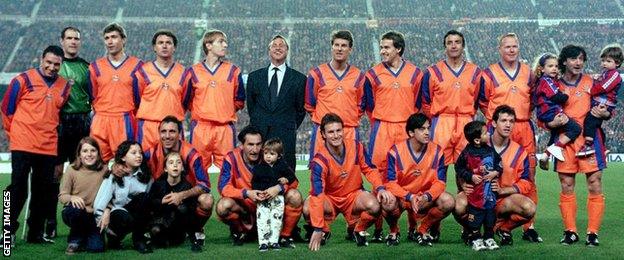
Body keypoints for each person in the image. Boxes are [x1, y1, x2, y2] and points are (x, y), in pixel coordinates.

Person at [1, 45, 70, 245]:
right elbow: (6, 109)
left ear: (61, 65)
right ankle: (7, 232)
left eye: (56, 64)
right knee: (17, 189)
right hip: (23, 144)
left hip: (48, 147)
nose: (52, 67)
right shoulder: (22, 80)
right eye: (48, 62)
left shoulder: (65, 86)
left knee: (42, 192)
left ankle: (36, 233)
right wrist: (14, 133)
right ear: (41, 60)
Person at [478, 33, 541, 240]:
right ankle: (484, 221)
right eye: (507, 47)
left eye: (515, 46)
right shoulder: (489, 73)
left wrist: (521, 115)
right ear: (500, 49)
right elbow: (483, 101)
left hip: (523, 126)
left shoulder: (528, 73)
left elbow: (533, 99)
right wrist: (496, 121)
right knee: (490, 173)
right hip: (498, 128)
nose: (512, 50)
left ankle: (528, 227)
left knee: (529, 175)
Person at [304, 113, 395, 251]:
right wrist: (317, 227)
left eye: (338, 130)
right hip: (330, 198)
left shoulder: (356, 147)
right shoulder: (319, 161)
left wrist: (381, 187)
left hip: (353, 196)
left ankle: (357, 229)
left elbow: (370, 169)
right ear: (323, 134)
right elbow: (317, 194)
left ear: (343, 130)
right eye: (331, 132)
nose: (335, 135)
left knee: (375, 206)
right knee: (307, 208)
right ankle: (324, 231)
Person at [454, 105, 536, 246]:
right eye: (503, 120)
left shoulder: (520, 152)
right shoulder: (478, 142)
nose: (508, 124)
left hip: (502, 200)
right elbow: (459, 168)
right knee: (458, 205)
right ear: (493, 123)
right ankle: (472, 232)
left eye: (511, 121)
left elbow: (527, 182)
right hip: (477, 195)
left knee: (529, 208)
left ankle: (503, 229)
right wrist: (463, 185)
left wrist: (503, 190)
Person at [554, 45, 609, 246]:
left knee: (594, 183)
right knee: (567, 184)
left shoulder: (591, 82)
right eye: (574, 59)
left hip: (590, 138)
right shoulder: (555, 85)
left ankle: (593, 233)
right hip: (565, 139)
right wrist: (550, 123)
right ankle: (570, 232)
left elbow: (606, 107)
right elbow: (546, 113)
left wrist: (606, 113)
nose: (578, 63)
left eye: (581, 59)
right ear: (564, 61)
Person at [216, 125, 303, 249]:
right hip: (247, 205)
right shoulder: (231, 158)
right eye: (250, 144)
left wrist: (279, 188)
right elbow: (223, 188)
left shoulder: (270, 155)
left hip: (272, 203)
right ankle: (242, 232)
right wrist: (247, 193)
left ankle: (285, 236)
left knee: (295, 196)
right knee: (222, 206)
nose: (255, 149)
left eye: (258, 144)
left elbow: (294, 181)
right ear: (241, 145)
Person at [47, 26, 92, 242]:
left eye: (77, 38)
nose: (73, 42)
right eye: (69, 38)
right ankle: (50, 221)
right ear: (62, 40)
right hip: (60, 123)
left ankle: (79, 219)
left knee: (80, 173)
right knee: (55, 173)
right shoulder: (54, 66)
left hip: (82, 122)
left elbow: (95, 96)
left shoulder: (87, 67)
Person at [383, 113, 454, 247]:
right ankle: (394, 230)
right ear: (411, 132)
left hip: (424, 199)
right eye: (422, 129)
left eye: (428, 128)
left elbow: (441, 182)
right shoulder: (395, 151)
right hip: (404, 198)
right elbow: (390, 183)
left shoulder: (438, 151)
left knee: (448, 201)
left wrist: (427, 196)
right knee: (387, 201)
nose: (427, 132)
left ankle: (422, 228)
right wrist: (409, 196)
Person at [143, 115, 213, 251]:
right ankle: (144, 232)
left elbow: (205, 185)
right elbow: (131, 162)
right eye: (164, 131)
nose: (167, 136)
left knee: (207, 200)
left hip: (187, 198)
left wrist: (182, 195)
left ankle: (195, 230)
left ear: (179, 133)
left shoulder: (192, 154)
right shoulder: (150, 152)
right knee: (141, 197)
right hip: (162, 199)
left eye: (172, 131)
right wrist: (118, 167)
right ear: (159, 133)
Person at [365, 31, 424, 177]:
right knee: (379, 169)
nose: (382, 51)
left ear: (398, 49)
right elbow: (369, 105)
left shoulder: (416, 73)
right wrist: (380, 121)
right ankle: (381, 198)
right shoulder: (372, 74)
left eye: (386, 47)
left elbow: (418, 103)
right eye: (381, 47)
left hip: (406, 127)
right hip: (382, 127)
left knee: (408, 168)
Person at [305, 30, 367, 165]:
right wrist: (323, 121)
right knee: (319, 172)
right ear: (332, 47)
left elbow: (361, 105)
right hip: (323, 133)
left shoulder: (359, 76)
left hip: (349, 131)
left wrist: (349, 118)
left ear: (350, 49)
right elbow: (309, 104)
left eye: (344, 45)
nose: (339, 49)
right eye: (336, 45)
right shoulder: (316, 74)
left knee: (350, 174)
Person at [184, 29, 245, 169]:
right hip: (201, 128)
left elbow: (240, 100)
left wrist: (223, 110)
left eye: (226, 42)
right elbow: (187, 100)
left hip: (224, 128)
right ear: (208, 45)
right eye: (221, 41)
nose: (225, 45)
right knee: (196, 170)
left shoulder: (233, 70)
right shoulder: (193, 72)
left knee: (229, 172)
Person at [421, 29, 482, 167]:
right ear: (445, 47)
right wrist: (436, 119)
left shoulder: (475, 71)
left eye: (457, 42)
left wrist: (467, 114)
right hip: (442, 122)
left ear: (463, 46)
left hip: (466, 122)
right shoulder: (432, 71)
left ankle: (464, 189)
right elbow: (425, 101)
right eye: (449, 43)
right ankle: (437, 190)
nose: (453, 46)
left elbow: (477, 99)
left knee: (467, 168)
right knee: (437, 167)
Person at [247, 34, 307, 171]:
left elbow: (300, 110)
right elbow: (251, 107)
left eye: (282, 45)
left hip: (286, 135)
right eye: (275, 45)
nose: (278, 48)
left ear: (287, 50)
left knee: (287, 181)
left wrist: (287, 125)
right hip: (260, 135)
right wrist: (259, 123)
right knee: (258, 179)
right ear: (269, 50)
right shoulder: (254, 77)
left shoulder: (299, 79)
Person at [88, 23, 143, 162]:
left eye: (114, 37)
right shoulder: (95, 66)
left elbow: (140, 97)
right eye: (107, 38)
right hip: (100, 120)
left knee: (125, 164)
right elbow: (92, 94)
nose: (110, 41)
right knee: (97, 164)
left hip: (124, 119)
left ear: (123, 40)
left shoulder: (137, 65)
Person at [93, 141, 153, 253]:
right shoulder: (114, 174)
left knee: (144, 197)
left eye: (140, 152)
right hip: (115, 214)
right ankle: (114, 237)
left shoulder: (146, 176)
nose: (139, 156)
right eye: (133, 153)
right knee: (123, 217)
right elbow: (99, 203)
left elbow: (146, 206)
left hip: (135, 214)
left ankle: (139, 240)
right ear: (124, 157)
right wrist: (104, 225)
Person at [135, 30, 187, 149]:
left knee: (174, 162)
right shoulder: (143, 71)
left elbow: (186, 100)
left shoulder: (184, 72)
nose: (164, 45)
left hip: (173, 126)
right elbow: (137, 99)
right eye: (160, 42)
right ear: (154, 47)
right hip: (149, 126)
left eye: (168, 43)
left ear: (174, 48)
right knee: (147, 163)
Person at [455, 121, 502, 251]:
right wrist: (470, 176)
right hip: (475, 194)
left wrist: (495, 172)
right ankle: (475, 238)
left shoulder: (491, 151)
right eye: (485, 133)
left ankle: (489, 237)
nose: (489, 134)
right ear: (477, 140)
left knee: (490, 218)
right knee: (475, 218)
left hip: (489, 194)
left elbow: (499, 164)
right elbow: (458, 168)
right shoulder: (466, 153)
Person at [58, 137, 107, 254]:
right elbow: (62, 195)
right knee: (76, 209)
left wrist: (107, 210)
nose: (89, 154)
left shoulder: (104, 170)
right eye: (85, 151)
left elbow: (110, 194)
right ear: (79, 154)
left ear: (98, 153)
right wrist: (71, 197)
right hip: (75, 211)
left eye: (93, 150)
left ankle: (86, 236)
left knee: (96, 248)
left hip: (94, 216)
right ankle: (74, 240)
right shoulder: (71, 169)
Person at [533, 53, 581, 168]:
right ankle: (555, 148)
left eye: (556, 66)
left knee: (555, 134)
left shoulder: (547, 81)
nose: (554, 68)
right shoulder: (546, 81)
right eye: (550, 66)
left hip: (547, 112)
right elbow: (556, 97)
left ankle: (546, 155)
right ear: (542, 68)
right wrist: (565, 95)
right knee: (576, 128)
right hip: (550, 112)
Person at [251, 138, 297, 251]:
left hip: (278, 199)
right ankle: (263, 242)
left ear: (279, 155)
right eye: (266, 153)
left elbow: (292, 177)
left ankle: (274, 241)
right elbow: (254, 182)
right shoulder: (259, 168)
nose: (268, 156)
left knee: (276, 220)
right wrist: (259, 192)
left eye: (272, 154)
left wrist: (286, 179)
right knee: (263, 220)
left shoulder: (282, 166)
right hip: (263, 199)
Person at [577, 44, 623, 157]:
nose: (604, 63)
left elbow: (604, 87)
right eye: (603, 61)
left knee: (590, 121)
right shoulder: (606, 73)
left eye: (608, 61)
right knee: (596, 126)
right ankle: (604, 147)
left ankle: (588, 145)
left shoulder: (615, 74)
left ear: (617, 63)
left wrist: (591, 90)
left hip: (603, 102)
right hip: (600, 101)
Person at [147, 152, 195, 249]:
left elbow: (191, 210)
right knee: (156, 230)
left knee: (182, 208)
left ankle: (182, 236)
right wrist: (161, 202)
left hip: (178, 224)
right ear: (165, 168)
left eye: (178, 162)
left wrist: (180, 201)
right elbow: (149, 203)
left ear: (182, 168)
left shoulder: (187, 186)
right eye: (171, 162)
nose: (175, 165)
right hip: (160, 221)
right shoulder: (158, 184)